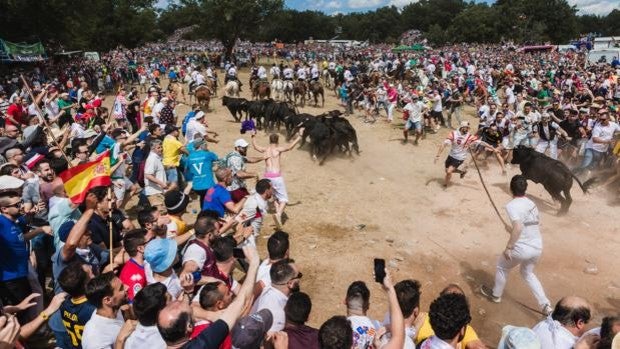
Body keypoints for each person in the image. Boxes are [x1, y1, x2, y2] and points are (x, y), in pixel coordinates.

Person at [156, 244, 260, 349]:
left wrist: (188, 292)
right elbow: (242, 303)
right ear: (189, 327)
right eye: (189, 309)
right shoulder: (204, 342)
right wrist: (254, 263)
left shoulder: (171, 337)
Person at [481, 175, 552, 315]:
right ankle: (546, 306)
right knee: (527, 273)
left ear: (511, 189)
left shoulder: (511, 205)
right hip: (537, 246)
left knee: (502, 266)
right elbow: (528, 224)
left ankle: (496, 295)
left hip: (522, 248)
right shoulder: (532, 203)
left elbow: (518, 227)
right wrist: (512, 229)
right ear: (525, 188)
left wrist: (509, 247)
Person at [250, 131, 302, 226]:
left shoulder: (265, 149)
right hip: (277, 177)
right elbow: (290, 147)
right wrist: (299, 137)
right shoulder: (278, 149)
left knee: (274, 197)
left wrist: (253, 136)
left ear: (269, 140)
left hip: (267, 177)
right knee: (284, 200)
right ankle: (278, 214)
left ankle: (278, 216)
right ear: (277, 141)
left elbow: (255, 146)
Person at [435, 121, 499, 187]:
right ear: (462, 127)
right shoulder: (453, 134)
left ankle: (445, 185)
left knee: (449, 171)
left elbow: (481, 142)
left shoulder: (469, 137)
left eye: (468, 128)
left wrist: (493, 149)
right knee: (447, 170)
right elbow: (444, 144)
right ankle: (462, 172)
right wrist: (437, 155)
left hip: (460, 157)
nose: (467, 129)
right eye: (466, 128)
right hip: (451, 155)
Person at [81, 272, 130, 349]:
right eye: (121, 288)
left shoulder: (115, 309)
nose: (127, 287)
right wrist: (120, 339)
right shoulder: (94, 339)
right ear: (107, 300)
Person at [251, 258, 302, 332]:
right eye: (299, 275)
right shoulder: (278, 316)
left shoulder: (268, 290)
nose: (300, 279)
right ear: (290, 283)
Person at [57, 261, 96, 349]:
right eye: (91, 274)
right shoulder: (94, 309)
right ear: (86, 285)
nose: (94, 276)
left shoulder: (63, 303)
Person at [124, 283, 168, 349]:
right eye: (170, 299)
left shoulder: (130, 341)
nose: (175, 301)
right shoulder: (168, 340)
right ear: (160, 312)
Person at [184, 138, 218, 202]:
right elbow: (217, 164)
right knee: (211, 201)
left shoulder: (189, 157)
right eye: (205, 144)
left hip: (196, 187)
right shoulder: (209, 154)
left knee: (203, 198)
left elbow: (186, 171)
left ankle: (204, 210)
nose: (207, 146)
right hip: (209, 186)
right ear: (201, 145)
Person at [118, 229, 147, 303]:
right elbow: (135, 306)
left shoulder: (142, 263)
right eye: (149, 242)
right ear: (140, 248)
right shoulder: (134, 276)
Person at [162, 125, 188, 191]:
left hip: (165, 163)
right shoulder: (174, 141)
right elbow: (185, 151)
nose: (179, 132)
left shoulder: (166, 139)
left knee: (178, 180)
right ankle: (166, 195)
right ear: (173, 132)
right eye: (177, 130)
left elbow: (174, 150)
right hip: (172, 164)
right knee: (173, 185)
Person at [144, 139, 168, 212]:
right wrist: (161, 183)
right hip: (154, 192)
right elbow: (148, 175)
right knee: (161, 214)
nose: (161, 149)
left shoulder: (156, 158)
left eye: (161, 147)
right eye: (158, 147)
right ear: (152, 149)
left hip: (158, 191)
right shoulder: (152, 159)